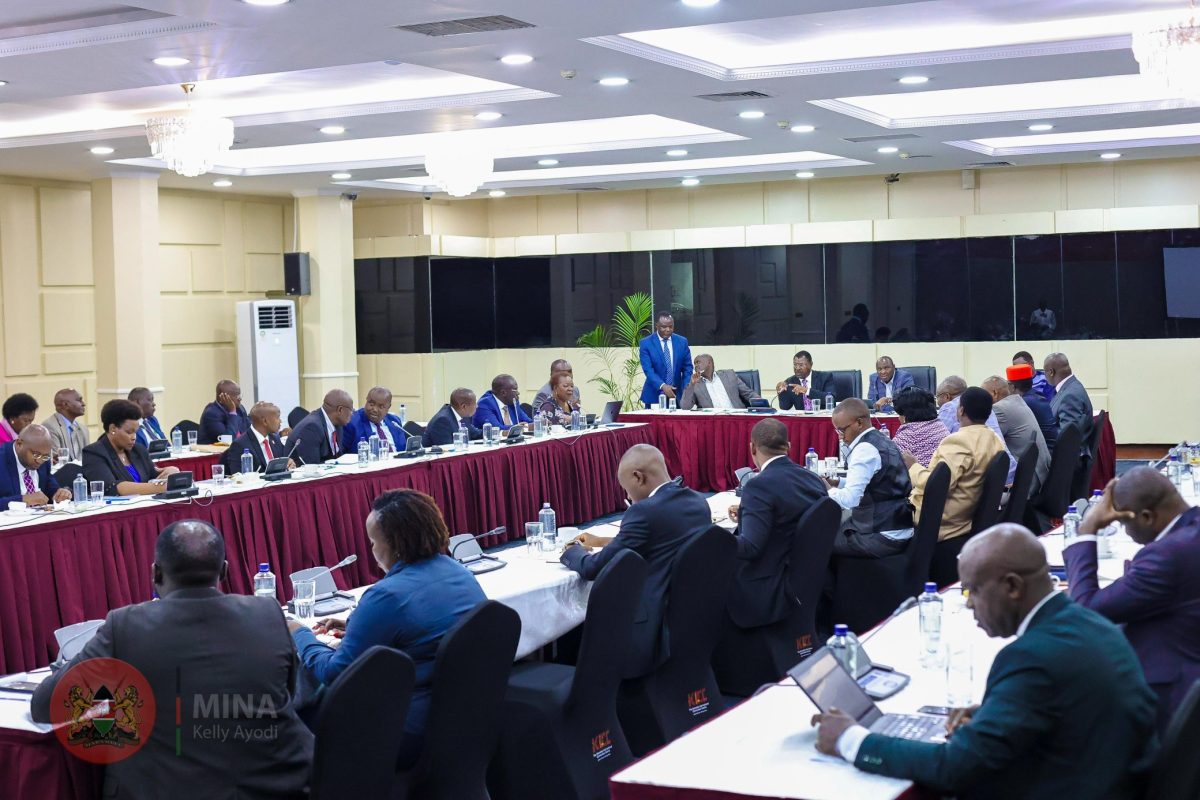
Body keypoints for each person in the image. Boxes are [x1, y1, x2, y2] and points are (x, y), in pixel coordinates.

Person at [813, 525, 1158, 800]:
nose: (968, 605)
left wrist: (851, 740)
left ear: (1012, 587)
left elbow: (954, 768)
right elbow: (1064, 705)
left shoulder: (1031, 657)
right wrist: (999, 712)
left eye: (972, 591)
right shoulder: (1086, 621)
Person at [32, 520, 313, 798]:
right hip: (275, 789)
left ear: (155, 574)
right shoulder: (268, 613)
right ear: (224, 571)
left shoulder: (126, 626)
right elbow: (290, 693)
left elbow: (47, 705)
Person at [291, 490, 485, 767]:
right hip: (461, 717)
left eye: (372, 543)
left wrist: (300, 633)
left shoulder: (387, 596)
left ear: (395, 544)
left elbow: (334, 672)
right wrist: (357, 628)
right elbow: (423, 629)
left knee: (292, 714)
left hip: (406, 728)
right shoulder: (458, 571)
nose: (371, 552)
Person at [1066, 468, 1200, 733]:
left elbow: (1086, 611)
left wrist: (1088, 528)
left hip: (1168, 699)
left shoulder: (1167, 555)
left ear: (1148, 517)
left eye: (1125, 523)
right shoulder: (1189, 534)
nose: (1126, 533)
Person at [561, 444, 709, 678]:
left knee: (574, 628)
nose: (627, 497)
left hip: (648, 622)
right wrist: (603, 540)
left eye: (626, 489)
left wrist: (572, 551)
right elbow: (661, 539)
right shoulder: (697, 501)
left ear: (638, 477)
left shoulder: (643, 512)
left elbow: (594, 568)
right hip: (690, 614)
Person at [724, 419, 828, 628]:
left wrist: (712, 538)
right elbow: (789, 516)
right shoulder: (812, 479)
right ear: (788, 446)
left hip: (766, 584)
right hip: (810, 578)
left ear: (752, 447)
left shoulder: (758, 486)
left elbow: (751, 548)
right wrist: (747, 514)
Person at [905, 388, 1006, 542]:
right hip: (965, 517)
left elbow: (937, 485)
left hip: (941, 523)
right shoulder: (994, 438)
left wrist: (912, 466)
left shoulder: (959, 441)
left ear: (961, 411)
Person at [825, 399, 915, 558]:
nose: (840, 437)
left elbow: (850, 500)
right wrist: (839, 483)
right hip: (898, 525)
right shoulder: (881, 439)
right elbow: (878, 483)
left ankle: (842, 583)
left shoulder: (864, 449)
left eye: (842, 430)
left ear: (859, 423)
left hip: (882, 535)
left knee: (816, 539)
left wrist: (827, 489)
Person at [82, 399, 180, 496]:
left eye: (135, 432)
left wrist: (172, 471)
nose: (134, 437)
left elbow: (155, 475)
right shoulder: (94, 453)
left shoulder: (138, 450)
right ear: (112, 429)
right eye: (129, 432)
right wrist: (160, 487)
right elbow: (112, 487)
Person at [935, 376, 1016, 484]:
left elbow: (936, 442)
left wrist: (914, 467)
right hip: (1006, 479)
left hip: (980, 488)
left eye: (937, 397)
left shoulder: (949, 407)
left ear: (946, 396)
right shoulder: (992, 435)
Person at [982, 375, 1051, 494]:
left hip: (1028, 482)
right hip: (1039, 473)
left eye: (983, 394)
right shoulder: (1017, 401)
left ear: (994, 393)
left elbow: (985, 439)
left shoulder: (999, 409)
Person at [0, 425, 71, 506]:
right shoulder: (2, 459)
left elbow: (50, 486)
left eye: (45, 456)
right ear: (19, 444)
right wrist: (22, 500)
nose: (39, 461)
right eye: (36, 454)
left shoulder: (44, 458)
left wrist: (60, 493)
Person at [639, 311, 693, 408]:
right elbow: (648, 370)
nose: (668, 330)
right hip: (654, 395)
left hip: (677, 396)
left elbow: (687, 368)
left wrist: (686, 388)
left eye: (671, 326)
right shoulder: (646, 343)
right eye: (664, 327)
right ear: (657, 326)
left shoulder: (682, 342)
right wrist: (663, 386)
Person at [286, 389, 353, 465]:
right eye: (351, 410)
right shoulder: (312, 427)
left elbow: (338, 457)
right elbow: (312, 466)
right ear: (340, 410)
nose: (352, 414)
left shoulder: (338, 424)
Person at [221, 402, 290, 474]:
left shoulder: (275, 439)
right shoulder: (240, 445)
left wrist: (288, 463)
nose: (280, 421)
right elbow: (239, 478)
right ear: (265, 421)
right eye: (277, 417)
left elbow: (281, 463)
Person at [1044, 353, 1094, 451]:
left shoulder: (1069, 396)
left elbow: (1068, 435)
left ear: (1051, 372)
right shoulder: (1072, 385)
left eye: (1044, 372)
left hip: (1068, 458)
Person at [891, 387, 950, 468]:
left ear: (905, 415)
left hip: (921, 478)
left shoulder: (908, 436)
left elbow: (890, 462)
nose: (898, 418)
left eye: (899, 414)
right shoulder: (940, 425)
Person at [1005, 364, 1058, 452]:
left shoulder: (1023, 403)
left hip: (1043, 455)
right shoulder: (1036, 396)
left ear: (1012, 387)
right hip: (1052, 452)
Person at [343, 386, 410, 453]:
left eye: (381, 406)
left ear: (388, 408)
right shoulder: (352, 422)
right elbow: (344, 455)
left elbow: (403, 450)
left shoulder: (395, 421)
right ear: (366, 401)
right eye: (371, 404)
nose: (375, 409)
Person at [681, 354, 759, 410]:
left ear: (709, 363)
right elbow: (685, 406)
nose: (696, 366)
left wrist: (763, 404)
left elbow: (748, 394)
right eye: (695, 364)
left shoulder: (729, 375)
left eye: (698, 362)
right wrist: (692, 385)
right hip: (712, 422)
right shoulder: (695, 384)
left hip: (736, 417)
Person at [198, 380, 250, 444]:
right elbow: (227, 441)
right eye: (236, 395)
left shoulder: (240, 409)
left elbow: (248, 433)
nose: (240, 399)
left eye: (239, 395)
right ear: (222, 397)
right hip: (216, 452)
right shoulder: (211, 413)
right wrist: (232, 413)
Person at [42, 388, 87, 461]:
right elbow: (56, 461)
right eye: (79, 400)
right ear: (65, 405)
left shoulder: (82, 428)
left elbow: (87, 456)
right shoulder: (50, 427)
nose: (83, 404)